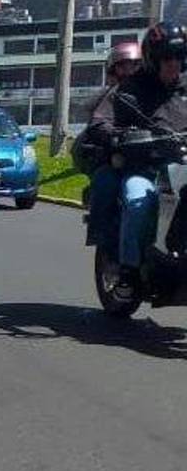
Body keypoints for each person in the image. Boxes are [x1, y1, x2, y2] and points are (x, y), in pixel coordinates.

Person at [86, 22, 187, 297]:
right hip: (147, 167)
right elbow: (99, 122)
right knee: (137, 199)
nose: (174, 65)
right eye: (167, 58)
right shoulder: (130, 90)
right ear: (154, 60)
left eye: (179, 57)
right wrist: (118, 135)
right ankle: (128, 272)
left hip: (184, 165)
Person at [81, 42, 142, 244]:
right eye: (123, 66)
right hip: (119, 157)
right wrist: (115, 134)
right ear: (113, 69)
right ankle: (100, 233)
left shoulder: (152, 91)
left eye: (134, 65)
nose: (129, 70)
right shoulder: (110, 96)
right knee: (106, 182)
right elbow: (98, 122)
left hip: (153, 156)